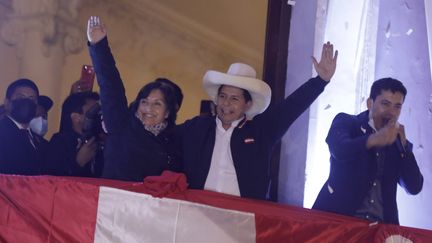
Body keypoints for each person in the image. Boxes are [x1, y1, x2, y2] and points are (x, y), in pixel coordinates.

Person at [174, 46, 337, 199]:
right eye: (222, 96)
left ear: (248, 104)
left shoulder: (260, 132)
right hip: (196, 212)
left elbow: (291, 108)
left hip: (243, 219)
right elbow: (165, 138)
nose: (226, 103)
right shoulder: (197, 127)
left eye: (234, 98)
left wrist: (320, 81)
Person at [312, 78, 424, 225]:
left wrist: (405, 149)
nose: (392, 113)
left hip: (381, 230)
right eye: (385, 104)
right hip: (339, 223)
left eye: (397, 107)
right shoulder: (347, 122)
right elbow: (339, 149)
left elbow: (414, 187)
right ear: (370, 103)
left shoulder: (397, 142)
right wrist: (374, 139)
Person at [87, 16, 182, 181]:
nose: (149, 109)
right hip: (113, 204)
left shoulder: (172, 144)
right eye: (144, 102)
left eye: (157, 104)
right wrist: (99, 46)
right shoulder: (121, 125)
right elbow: (111, 86)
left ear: (167, 112)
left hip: (150, 207)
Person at [44, 92, 104, 177]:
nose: (98, 115)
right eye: (93, 111)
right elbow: (52, 180)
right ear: (76, 117)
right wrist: (78, 163)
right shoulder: (60, 142)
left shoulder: (101, 141)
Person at [0, 78, 47, 175]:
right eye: (21, 97)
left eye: (31, 98)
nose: (26, 102)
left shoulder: (40, 141)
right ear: (7, 103)